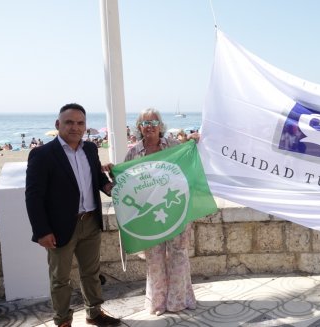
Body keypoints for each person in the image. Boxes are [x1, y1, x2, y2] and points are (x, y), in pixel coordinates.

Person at [25, 103, 120, 327]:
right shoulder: (42, 154)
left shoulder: (90, 149)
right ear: (58, 124)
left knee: (92, 273)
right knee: (60, 279)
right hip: (59, 228)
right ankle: (62, 320)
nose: (75, 127)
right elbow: (33, 196)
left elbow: (98, 179)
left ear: (85, 126)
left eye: (80, 123)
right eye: (69, 122)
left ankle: (94, 313)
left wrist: (110, 188)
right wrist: (42, 231)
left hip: (91, 222)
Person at [105, 108, 199, 316]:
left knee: (178, 256)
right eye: (145, 124)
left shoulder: (174, 146)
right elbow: (125, 183)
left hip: (175, 209)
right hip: (149, 214)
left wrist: (196, 143)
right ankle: (157, 303)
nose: (150, 127)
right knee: (154, 259)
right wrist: (113, 171)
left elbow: (189, 167)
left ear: (160, 125)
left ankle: (178, 302)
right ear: (139, 127)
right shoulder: (133, 153)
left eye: (154, 122)